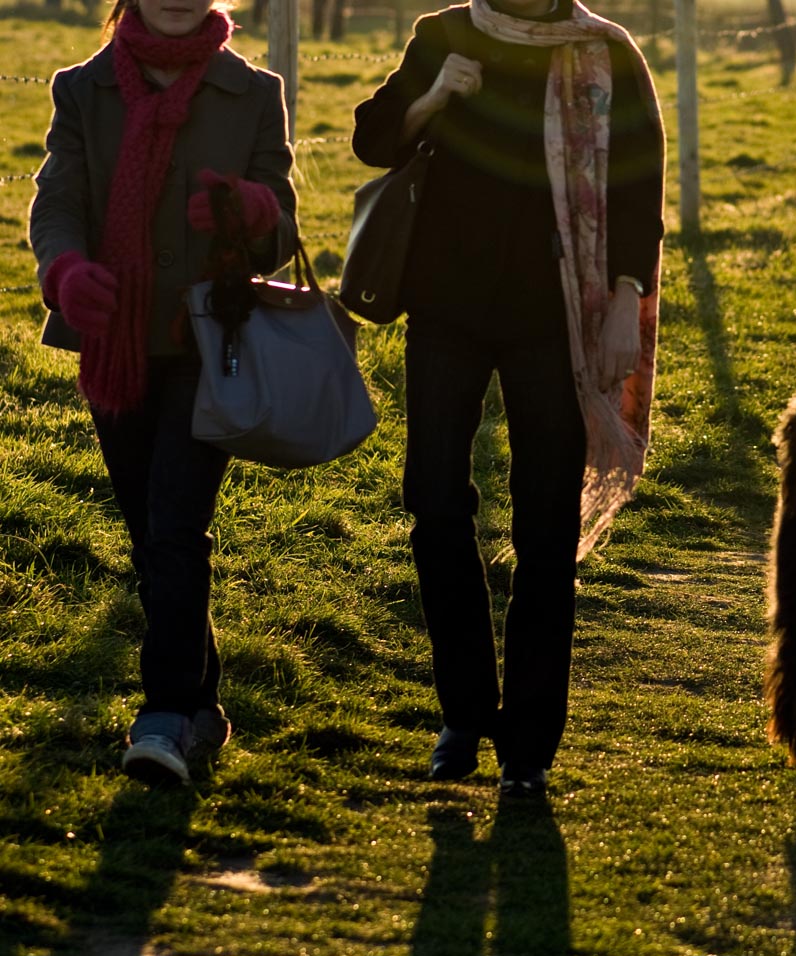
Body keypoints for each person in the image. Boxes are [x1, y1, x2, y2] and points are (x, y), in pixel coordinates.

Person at [351, 0, 664, 798]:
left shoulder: (606, 52)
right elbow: (372, 139)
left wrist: (629, 294)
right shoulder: (444, 35)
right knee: (435, 501)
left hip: (557, 319)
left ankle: (529, 741)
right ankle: (463, 711)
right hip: (446, 310)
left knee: (547, 519)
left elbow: (637, 182)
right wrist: (431, 99)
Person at [29, 0, 297, 785]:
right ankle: (204, 709)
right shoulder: (81, 88)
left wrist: (252, 211)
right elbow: (59, 200)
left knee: (176, 527)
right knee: (153, 535)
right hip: (115, 343)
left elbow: (281, 219)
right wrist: (66, 270)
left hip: (209, 342)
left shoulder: (252, 90)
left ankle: (164, 717)